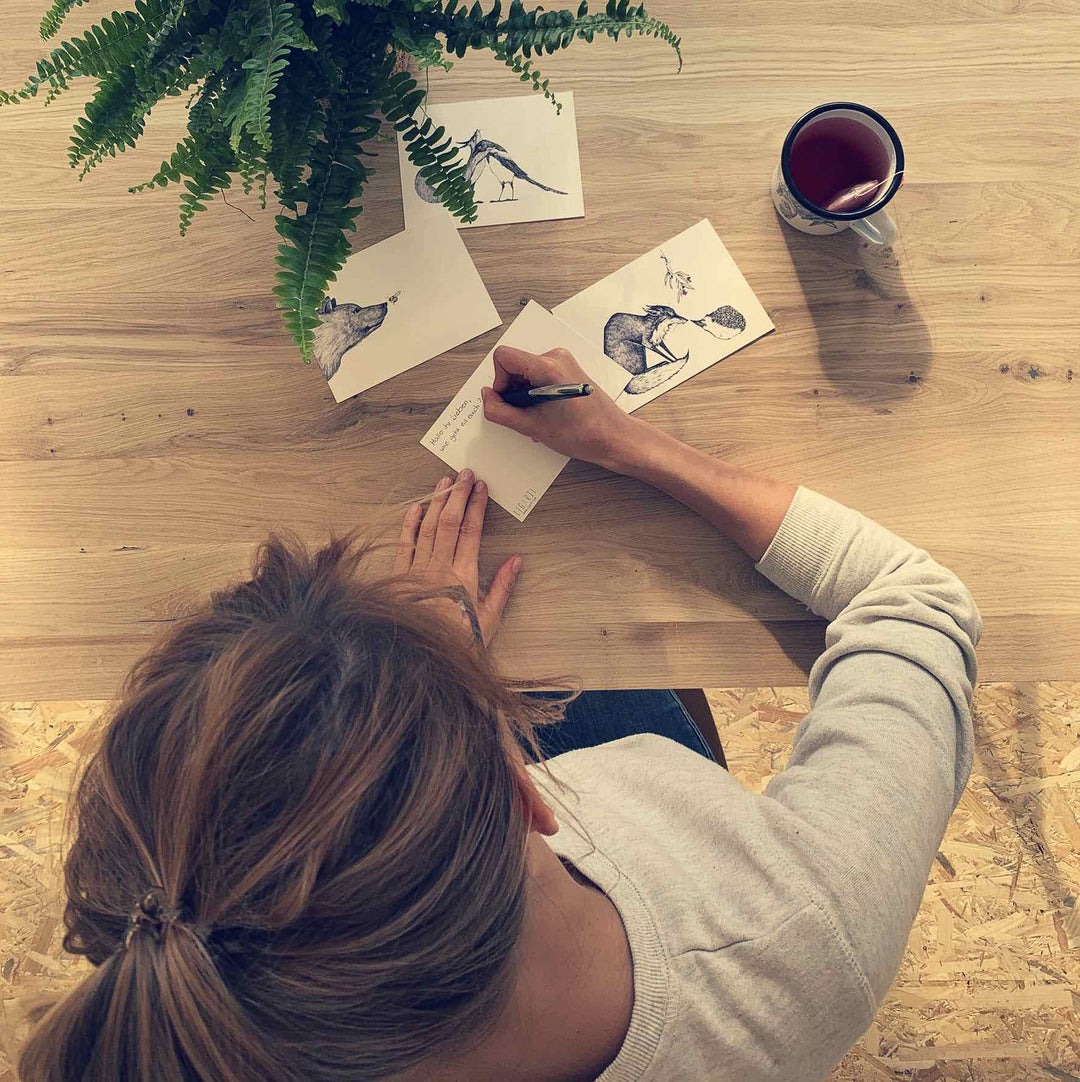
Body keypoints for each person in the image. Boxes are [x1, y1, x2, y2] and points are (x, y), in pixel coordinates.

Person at [19, 346, 980, 1082]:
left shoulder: (227, 1020)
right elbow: (914, 599)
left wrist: (440, 665)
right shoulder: (804, 929)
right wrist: (631, 446)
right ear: (525, 782)